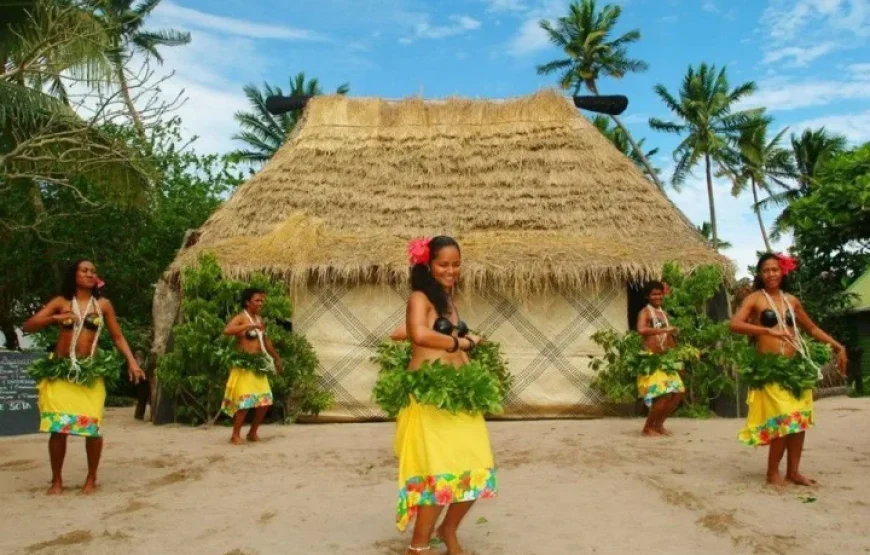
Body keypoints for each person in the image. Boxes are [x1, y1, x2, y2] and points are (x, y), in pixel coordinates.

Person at [395, 236, 496, 555]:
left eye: (456, 264)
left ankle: (448, 528)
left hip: (459, 395)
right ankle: (419, 546)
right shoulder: (419, 297)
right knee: (439, 475)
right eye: (443, 264)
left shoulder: (448, 301)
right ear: (428, 265)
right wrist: (460, 343)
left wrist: (473, 378)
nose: (451, 270)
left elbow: (448, 338)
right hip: (430, 396)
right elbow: (419, 333)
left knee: (478, 468)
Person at [22, 259, 145, 495]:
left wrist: (132, 362)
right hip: (62, 371)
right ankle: (56, 480)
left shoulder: (103, 305)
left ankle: (91, 478)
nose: (90, 274)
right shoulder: (61, 302)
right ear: (74, 275)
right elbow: (29, 325)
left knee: (92, 426)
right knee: (58, 428)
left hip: (89, 371)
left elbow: (118, 337)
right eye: (84, 270)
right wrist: (54, 319)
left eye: (93, 271)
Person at [730, 253, 847, 486]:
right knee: (784, 420)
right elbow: (735, 324)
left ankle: (793, 471)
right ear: (760, 274)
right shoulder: (755, 299)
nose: (771, 274)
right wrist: (767, 331)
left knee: (799, 421)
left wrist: (837, 345)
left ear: (782, 272)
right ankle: (772, 472)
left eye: (775, 269)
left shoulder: (791, 301)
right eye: (766, 270)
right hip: (771, 370)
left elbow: (811, 328)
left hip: (794, 369)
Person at [222, 288, 283, 445]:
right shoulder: (242, 317)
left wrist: (276, 358)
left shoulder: (259, 319)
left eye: (262, 301)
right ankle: (235, 435)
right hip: (244, 366)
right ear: (247, 302)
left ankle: (252, 432)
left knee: (265, 401)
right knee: (245, 402)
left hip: (258, 366)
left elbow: (266, 341)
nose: (260, 303)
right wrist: (246, 327)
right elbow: (227, 330)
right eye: (257, 300)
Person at [636, 281, 685, 436]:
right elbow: (641, 330)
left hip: (666, 359)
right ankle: (647, 427)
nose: (657, 297)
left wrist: (677, 359)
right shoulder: (645, 312)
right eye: (653, 294)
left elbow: (669, 338)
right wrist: (663, 329)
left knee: (678, 392)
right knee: (663, 394)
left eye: (659, 294)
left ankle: (658, 425)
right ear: (647, 296)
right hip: (652, 360)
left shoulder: (664, 314)